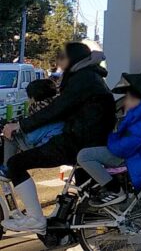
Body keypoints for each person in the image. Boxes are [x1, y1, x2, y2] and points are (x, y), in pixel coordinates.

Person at [0, 42, 115, 234]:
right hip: (85, 138)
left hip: (76, 140)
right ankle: (83, 226)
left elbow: (56, 109)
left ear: (74, 59)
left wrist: (20, 125)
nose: (59, 62)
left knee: (16, 164)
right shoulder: (88, 76)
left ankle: (36, 219)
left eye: (63, 58)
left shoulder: (83, 78)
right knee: (85, 188)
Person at [77, 86, 141, 208]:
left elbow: (124, 147)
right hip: (136, 155)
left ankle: (115, 191)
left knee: (84, 156)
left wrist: (110, 140)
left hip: (130, 158)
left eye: (129, 99)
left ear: (139, 101)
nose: (125, 102)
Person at [3, 79, 63, 164]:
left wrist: (14, 130)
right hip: (57, 145)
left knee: (10, 136)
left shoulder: (41, 112)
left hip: (46, 149)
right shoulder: (56, 107)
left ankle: (6, 169)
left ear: (33, 98)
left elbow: (31, 138)